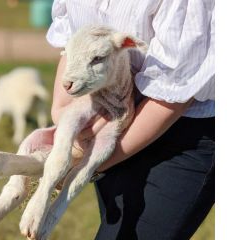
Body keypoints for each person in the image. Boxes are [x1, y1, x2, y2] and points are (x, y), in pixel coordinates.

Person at [46, 0, 215, 239]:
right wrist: (63, 116)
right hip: (112, 115)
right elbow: (73, 41)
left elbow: (179, 84)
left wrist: (90, 163)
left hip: (183, 133)